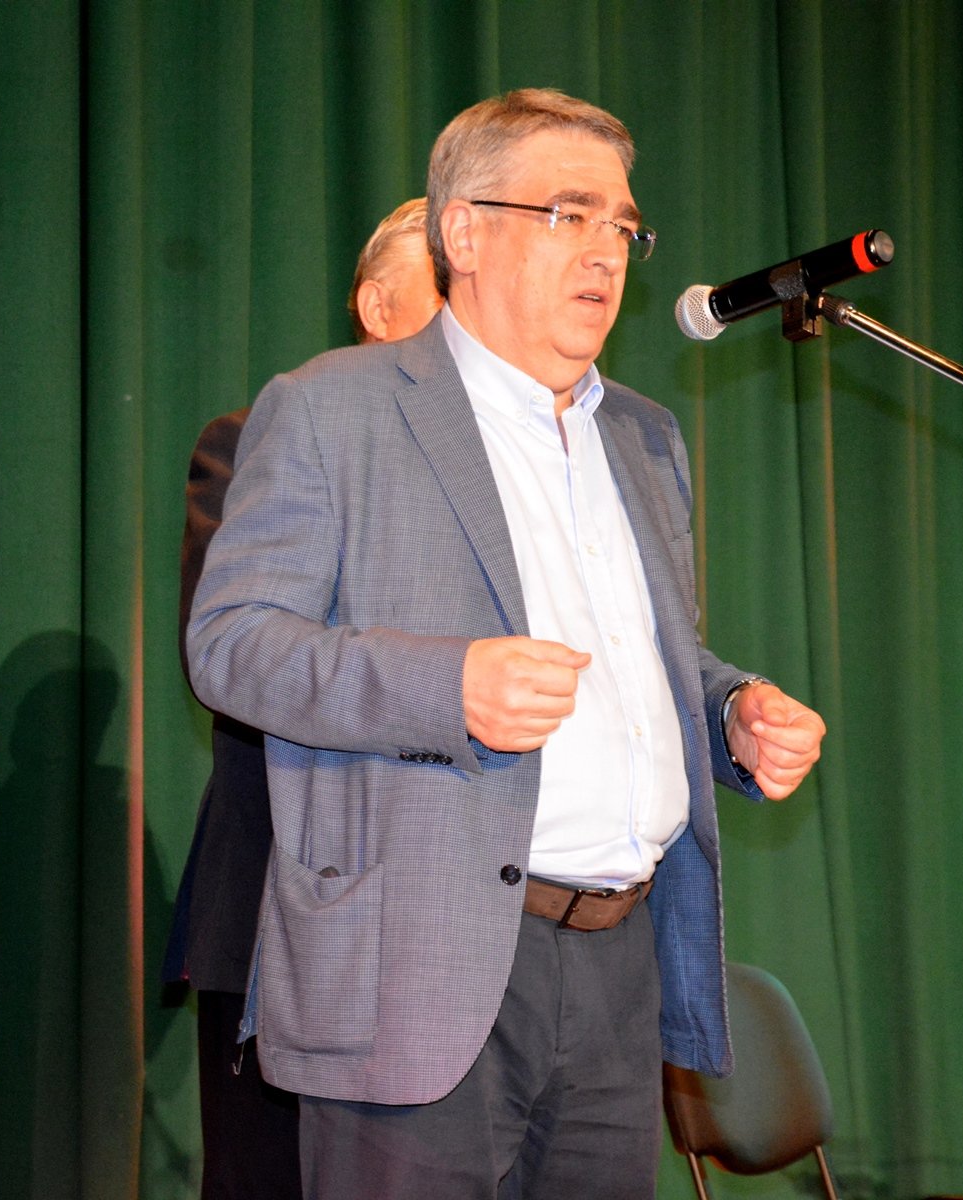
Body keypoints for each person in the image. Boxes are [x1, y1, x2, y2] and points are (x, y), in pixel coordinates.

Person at [186, 89, 826, 1199]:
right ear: (465, 232)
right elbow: (233, 644)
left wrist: (729, 711)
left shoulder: (643, 434)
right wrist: (450, 687)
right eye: (569, 215)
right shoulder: (332, 410)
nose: (607, 252)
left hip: (618, 963)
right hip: (419, 960)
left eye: (622, 224)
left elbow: (652, 659)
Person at [163, 197, 443, 1200]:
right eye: (447, 292)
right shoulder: (259, 441)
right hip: (287, 915)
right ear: (376, 306)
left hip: (461, 929)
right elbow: (242, 660)